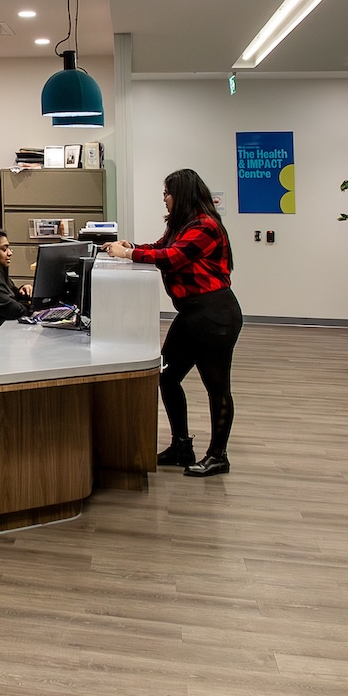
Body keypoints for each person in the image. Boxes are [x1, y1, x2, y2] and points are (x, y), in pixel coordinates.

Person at [103, 169, 243, 477]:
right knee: (166, 376)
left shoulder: (206, 226)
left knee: (217, 387)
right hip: (192, 314)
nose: (164, 200)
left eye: (167, 193)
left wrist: (129, 254)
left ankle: (218, 456)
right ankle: (182, 446)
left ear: (181, 195)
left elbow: (172, 257)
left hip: (214, 313)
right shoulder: (181, 226)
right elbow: (158, 248)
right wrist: (132, 247)